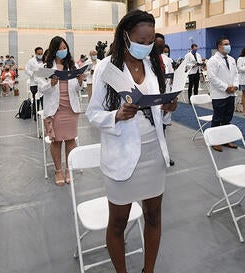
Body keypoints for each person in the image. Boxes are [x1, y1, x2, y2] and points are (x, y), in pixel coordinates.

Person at [86, 10, 177, 273]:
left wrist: (167, 106)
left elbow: (155, 106)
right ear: (125, 35)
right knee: (117, 223)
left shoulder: (154, 65)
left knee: (153, 216)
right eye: (141, 40)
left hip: (153, 154)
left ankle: (148, 270)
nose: (146, 46)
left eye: (151, 42)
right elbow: (93, 114)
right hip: (122, 155)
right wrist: (116, 115)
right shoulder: (107, 68)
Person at [37, 36, 84, 186]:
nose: (63, 51)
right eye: (60, 48)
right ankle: (58, 170)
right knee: (56, 141)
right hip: (54, 110)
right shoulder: (46, 68)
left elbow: (77, 89)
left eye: (65, 48)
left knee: (70, 140)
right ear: (53, 50)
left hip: (70, 109)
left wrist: (80, 81)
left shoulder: (72, 65)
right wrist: (50, 84)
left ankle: (69, 169)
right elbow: (41, 89)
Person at [207, 37, 239, 152]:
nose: (228, 46)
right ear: (219, 46)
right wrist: (226, 87)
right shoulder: (212, 60)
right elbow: (212, 78)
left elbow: (236, 74)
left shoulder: (231, 59)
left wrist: (235, 86)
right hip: (219, 94)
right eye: (226, 44)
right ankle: (214, 141)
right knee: (218, 118)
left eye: (229, 43)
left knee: (227, 118)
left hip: (231, 94)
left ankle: (226, 140)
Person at [155, 33, 176, 166]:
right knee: (154, 128)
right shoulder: (146, 60)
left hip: (165, 96)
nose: (161, 49)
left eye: (162, 46)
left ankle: (164, 154)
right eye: (158, 45)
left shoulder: (165, 60)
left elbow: (171, 76)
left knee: (162, 128)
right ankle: (158, 155)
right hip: (153, 99)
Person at [25, 46, 45, 113]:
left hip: (43, 83)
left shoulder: (45, 60)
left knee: (43, 99)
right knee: (36, 98)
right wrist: (32, 74)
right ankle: (35, 112)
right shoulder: (31, 61)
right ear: (35, 53)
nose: (40, 55)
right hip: (34, 83)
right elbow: (26, 69)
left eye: (41, 53)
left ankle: (43, 112)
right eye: (39, 54)